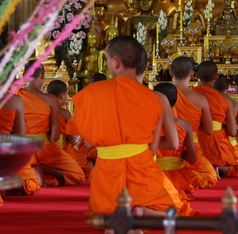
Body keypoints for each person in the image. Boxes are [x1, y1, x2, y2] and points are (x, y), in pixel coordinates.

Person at [67, 36, 175, 216]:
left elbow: (86, 144)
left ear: (115, 62)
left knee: (108, 219)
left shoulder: (94, 93)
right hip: (142, 167)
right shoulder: (154, 98)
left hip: (107, 171)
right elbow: (154, 148)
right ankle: (138, 212)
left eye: (107, 60)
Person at [18, 60, 85, 188]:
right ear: (42, 76)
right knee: (77, 175)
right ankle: (43, 168)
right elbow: (54, 136)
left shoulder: (16, 97)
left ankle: (34, 168)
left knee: (26, 184)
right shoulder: (50, 100)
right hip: (44, 148)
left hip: (21, 150)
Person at [169, 56, 218, 188]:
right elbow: (208, 130)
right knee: (210, 177)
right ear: (192, 74)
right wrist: (193, 127)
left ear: (170, 72)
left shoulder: (160, 96)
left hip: (166, 147)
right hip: (192, 149)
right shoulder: (200, 99)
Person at [154, 82, 198, 215]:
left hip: (153, 177)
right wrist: (178, 155)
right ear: (177, 100)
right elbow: (192, 158)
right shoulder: (184, 125)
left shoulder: (148, 124)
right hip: (177, 178)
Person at [192, 61, 238, 178]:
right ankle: (214, 165)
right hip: (218, 143)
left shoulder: (189, 95)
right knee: (230, 168)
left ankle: (204, 165)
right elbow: (233, 132)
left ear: (196, 75)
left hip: (194, 142)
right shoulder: (225, 99)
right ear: (216, 77)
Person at [46, 80, 93, 178]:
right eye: (66, 94)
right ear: (62, 96)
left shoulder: (43, 110)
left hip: (44, 150)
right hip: (62, 150)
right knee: (84, 169)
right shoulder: (66, 114)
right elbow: (73, 141)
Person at [214, 75, 238, 177]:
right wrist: (226, 130)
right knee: (234, 167)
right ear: (228, 87)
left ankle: (212, 165)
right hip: (229, 147)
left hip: (208, 144)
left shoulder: (205, 103)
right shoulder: (236, 106)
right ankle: (218, 167)